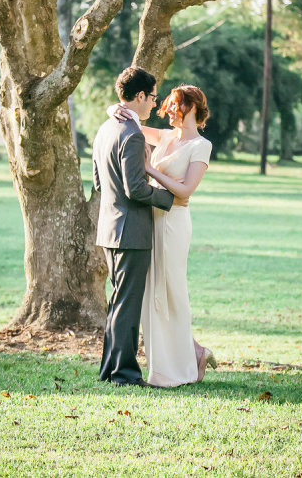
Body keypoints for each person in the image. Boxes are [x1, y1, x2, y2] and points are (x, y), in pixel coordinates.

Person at [111, 84, 216, 387]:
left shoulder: (201, 146)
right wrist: (113, 109)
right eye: (167, 104)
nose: (168, 109)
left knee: (171, 292)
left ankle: (183, 364)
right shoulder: (165, 136)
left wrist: (150, 170)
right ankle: (187, 354)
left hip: (174, 225)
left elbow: (185, 191)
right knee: (152, 292)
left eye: (175, 104)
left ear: (193, 107)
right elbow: (133, 124)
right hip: (151, 219)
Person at [92, 66, 175, 387]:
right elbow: (136, 189)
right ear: (140, 96)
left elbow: (99, 183)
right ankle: (125, 374)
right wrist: (169, 198)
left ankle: (109, 369)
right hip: (132, 232)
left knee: (118, 302)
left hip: (110, 228)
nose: (154, 104)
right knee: (127, 304)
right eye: (153, 97)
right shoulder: (132, 134)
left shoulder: (105, 130)